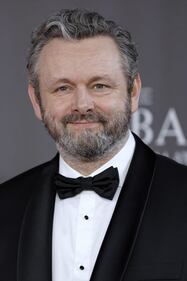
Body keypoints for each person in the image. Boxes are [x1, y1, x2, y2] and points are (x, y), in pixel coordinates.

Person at [1, 8, 187, 281]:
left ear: (133, 92)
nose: (82, 105)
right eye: (63, 88)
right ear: (36, 100)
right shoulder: (5, 206)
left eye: (99, 85)